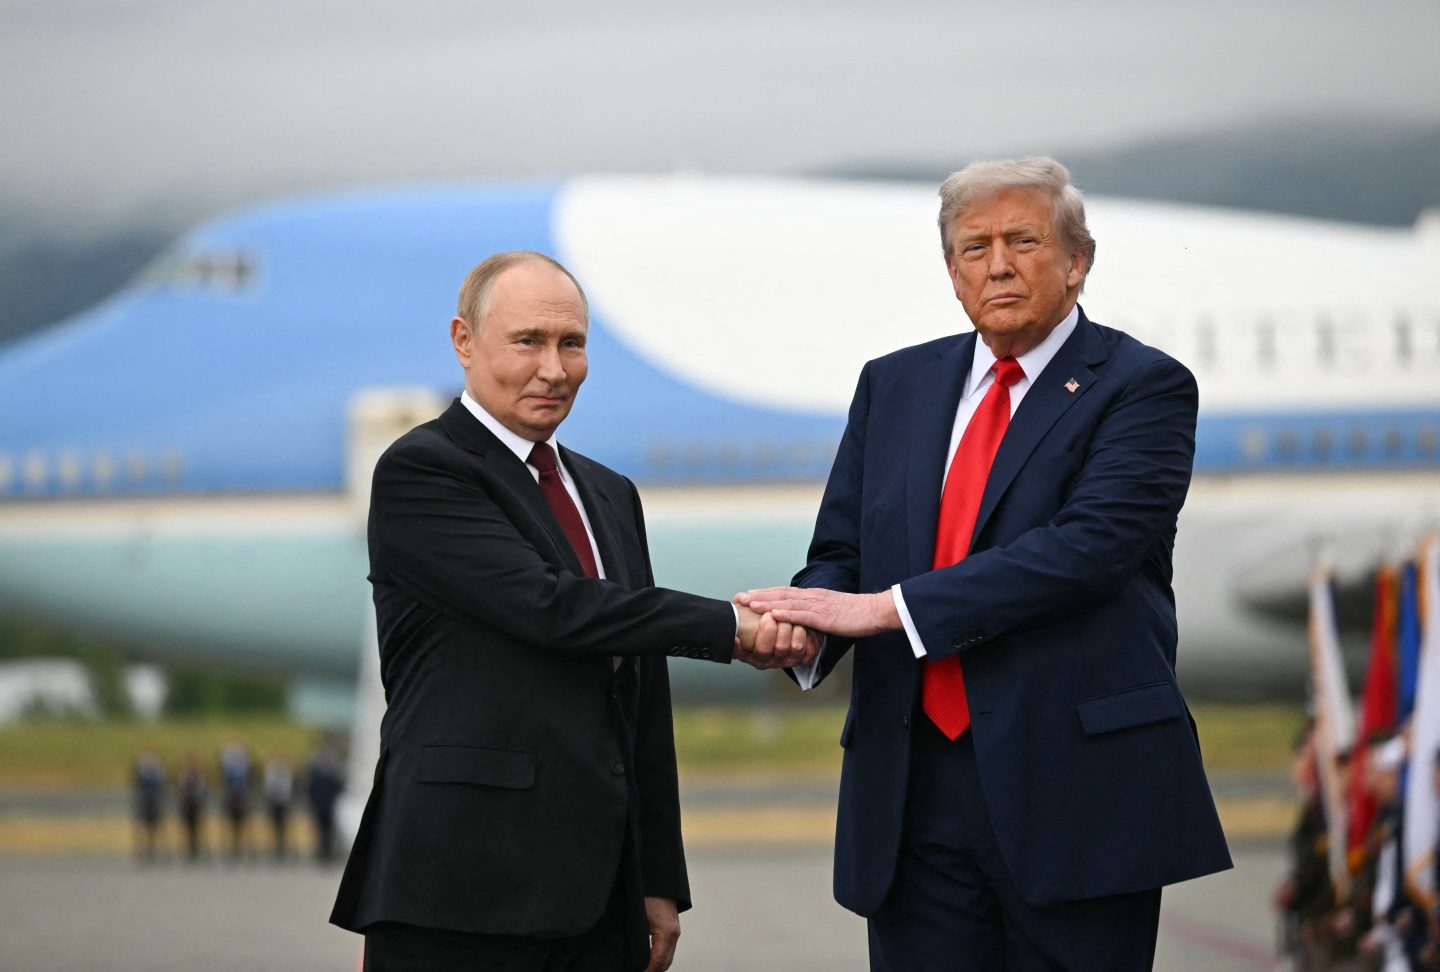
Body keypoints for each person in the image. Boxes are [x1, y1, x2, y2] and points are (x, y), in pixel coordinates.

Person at [740, 156, 1232, 970]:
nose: (998, 264)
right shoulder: (892, 385)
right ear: (951, 272)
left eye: (1023, 240)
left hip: (1075, 793)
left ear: (1078, 261)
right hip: (910, 794)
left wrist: (884, 610)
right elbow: (840, 555)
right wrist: (805, 626)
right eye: (974, 248)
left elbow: (1088, 549)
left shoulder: (1142, 387)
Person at [329, 251, 808, 972]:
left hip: (597, 896)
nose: (554, 369)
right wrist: (730, 629)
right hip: (458, 890)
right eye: (528, 342)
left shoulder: (608, 493)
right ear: (464, 341)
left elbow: (641, 698)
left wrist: (658, 879)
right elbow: (552, 608)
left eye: (572, 343)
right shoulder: (422, 470)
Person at [305, 742, 344, 864]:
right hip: (320, 806)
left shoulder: (332, 773)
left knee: (328, 830)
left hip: (329, 806)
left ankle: (327, 852)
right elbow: (311, 789)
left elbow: (339, 787)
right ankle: (322, 852)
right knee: (320, 830)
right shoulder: (316, 773)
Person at [131, 748, 166, 862]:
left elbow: (162, 785)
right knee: (142, 826)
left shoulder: (159, 771)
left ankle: (156, 849)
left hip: (155, 801)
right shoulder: (142, 771)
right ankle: (141, 849)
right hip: (144, 801)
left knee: (156, 826)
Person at [176, 750, 208, 862]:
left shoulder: (200, 776)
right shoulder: (184, 775)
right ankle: (188, 850)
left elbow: (202, 790)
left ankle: (197, 850)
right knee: (187, 828)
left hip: (197, 805)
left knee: (197, 829)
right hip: (187, 805)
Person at [262, 754, 294, 861]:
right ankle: (274, 847)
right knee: (273, 825)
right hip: (274, 802)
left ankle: (282, 847)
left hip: (283, 802)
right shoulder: (271, 773)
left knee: (283, 826)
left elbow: (288, 788)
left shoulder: (286, 773)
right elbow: (268, 787)